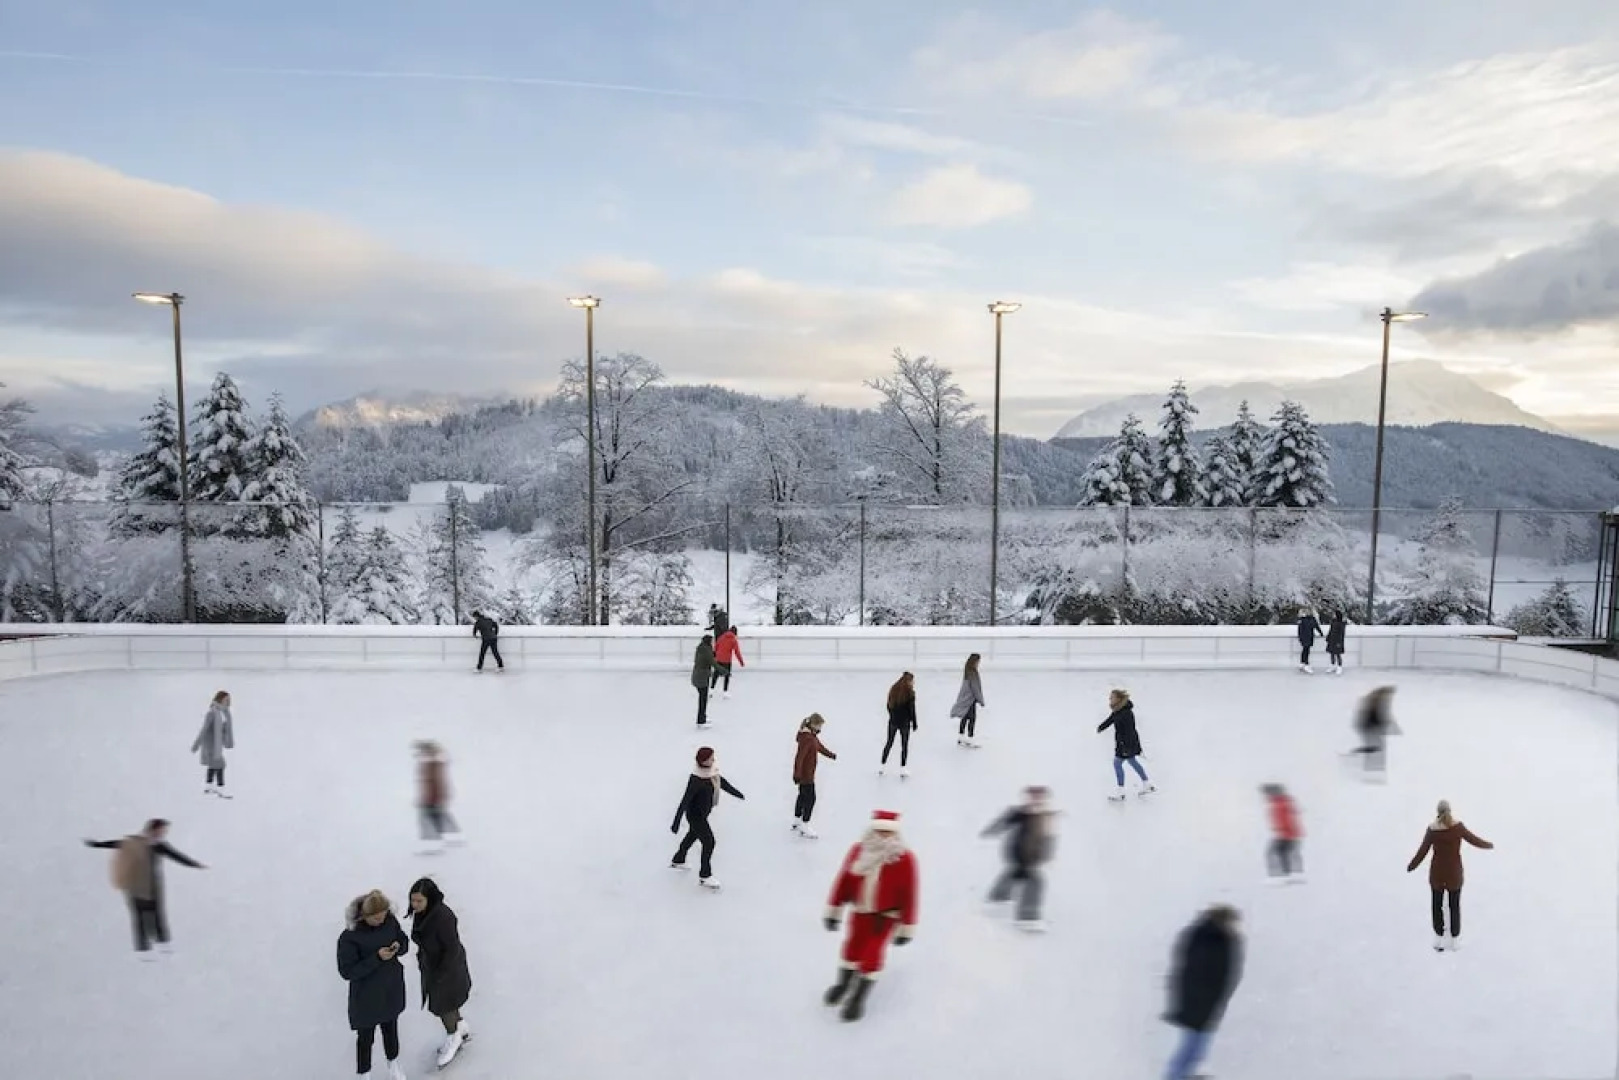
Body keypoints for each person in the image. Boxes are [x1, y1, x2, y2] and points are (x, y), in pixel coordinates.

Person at [822, 810, 919, 1022]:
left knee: (872, 955)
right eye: (880, 831)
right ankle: (843, 984)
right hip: (860, 913)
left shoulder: (904, 859)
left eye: (888, 832)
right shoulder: (858, 851)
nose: (883, 836)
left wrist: (907, 926)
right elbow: (844, 881)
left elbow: (910, 894)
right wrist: (834, 911)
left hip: (884, 919)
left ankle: (858, 998)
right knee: (851, 949)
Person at [84, 818, 206, 957]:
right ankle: (143, 948)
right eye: (161, 830)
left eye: (164, 831)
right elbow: (116, 844)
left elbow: (176, 856)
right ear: (152, 829)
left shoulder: (159, 845)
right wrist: (97, 844)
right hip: (135, 885)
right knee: (140, 916)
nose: (163, 833)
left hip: (153, 885)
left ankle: (163, 943)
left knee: (157, 914)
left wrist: (195, 864)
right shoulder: (134, 842)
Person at [1163, 904, 1244, 1080]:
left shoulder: (1207, 936)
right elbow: (1203, 971)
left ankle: (1182, 1075)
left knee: (1196, 1044)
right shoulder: (1213, 939)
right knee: (1194, 1044)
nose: (1236, 927)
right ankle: (1176, 1076)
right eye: (1233, 922)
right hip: (1199, 1002)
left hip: (1201, 1001)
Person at [337, 890, 410, 1079]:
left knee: (391, 1030)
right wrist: (377, 958)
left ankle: (393, 1064)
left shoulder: (389, 922)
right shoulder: (349, 937)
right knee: (365, 1038)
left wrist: (399, 946)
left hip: (390, 988)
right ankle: (364, 1074)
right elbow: (347, 971)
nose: (381, 921)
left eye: (383, 916)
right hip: (366, 996)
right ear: (364, 916)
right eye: (376, 918)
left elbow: (403, 941)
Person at [1406, 799, 1494, 951]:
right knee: (1454, 905)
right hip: (1454, 873)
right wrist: (1488, 845)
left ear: (1437, 812)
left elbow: (1423, 851)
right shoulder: (1458, 828)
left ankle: (1439, 938)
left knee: (1437, 905)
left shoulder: (1432, 831)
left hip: (1437, 874)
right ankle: (1454, 940)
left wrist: (1412, 866)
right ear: (1450, 811)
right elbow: (1474, 840)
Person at [407, 878, 473, 1068]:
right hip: (434, 966)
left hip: (447, 968)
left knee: (444, 1006)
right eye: (413, 900)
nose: (415, 905)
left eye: (419, 901)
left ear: (429, 899)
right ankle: (460, 1026)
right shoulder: (424, 914)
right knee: (447, 1003)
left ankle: (454, 1035)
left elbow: (451, 948)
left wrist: (441, 973)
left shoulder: (443, 917)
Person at [981, 786, 1056, 929]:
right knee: (1033, 881)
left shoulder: (1045, 817)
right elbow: (1002, 822)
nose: (1036, 801)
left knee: (1013, 876)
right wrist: (991, 830)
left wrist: (1047, 854)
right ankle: (1027, 917)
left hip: (1032, 858)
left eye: (1040, 798)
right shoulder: (1019, 813)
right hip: (1017, 854)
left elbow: (1048, 838)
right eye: (1033, 797)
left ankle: (998, 897)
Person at [670, 746, 744, 888]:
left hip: (703, 813)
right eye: (711, 758)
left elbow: (722, 783)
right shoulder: (696, 780)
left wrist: (738, 794)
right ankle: (705, 875)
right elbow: (684, 801)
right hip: (696, 816)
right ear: (703, 762)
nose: (714, 760)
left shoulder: (711, 772)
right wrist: (676, 822)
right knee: (709, 842)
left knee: (692, 835)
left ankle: (679, 859)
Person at [1098, 688, 1154, 800]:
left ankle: (1121, 791)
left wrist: (1125, 747)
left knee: (1117, 764)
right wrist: (1101, 727)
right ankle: (1147, 784)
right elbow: (1111, 720)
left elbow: (1130, 731)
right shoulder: (1118, 710)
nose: (1110, 699)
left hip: (1126, 744)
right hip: (1125, 744)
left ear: (1118, 699)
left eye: (1112, 697)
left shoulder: (1126, 713)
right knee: (1132, 761)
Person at [793, 713, 837, 839]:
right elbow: (799, 757)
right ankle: (805, 824)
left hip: (806, 774)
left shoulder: (811, 736)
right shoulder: (807, 739)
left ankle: (797, 820)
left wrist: (831, 755)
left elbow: (819, 747)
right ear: (813, 725)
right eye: (819, 726)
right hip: (806, 775)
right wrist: (797, 774)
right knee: (811, 799)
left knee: (802, 796)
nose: (820, 729)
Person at [415, 741, 463, 852]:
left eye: (423, 751)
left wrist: (434, 797)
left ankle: (434, 844)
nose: (420, 754)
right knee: (437, 818)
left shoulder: (433, 764)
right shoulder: (432, 764)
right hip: (432, 797)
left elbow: (434, 782)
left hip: (433, 797)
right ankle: (450, 838)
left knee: (431, 819)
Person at [1348, 686, 1400, 778]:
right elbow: (1379, 715)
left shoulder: (1375, 699)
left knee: (1375, 747)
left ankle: (1371, 766)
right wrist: (1390, 727)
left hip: (1369, 726)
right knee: (1376, 747)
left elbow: (1383, 715)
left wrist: (1393, 727)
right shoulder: (1378, 700)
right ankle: (1372, 768)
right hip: (1369, 727)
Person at [191, 690, 234, 798]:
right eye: (226, 699)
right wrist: (196, 744)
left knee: (213, 765)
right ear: (220, 699)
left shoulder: (225, 713)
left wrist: (227, 740)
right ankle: (220, 788)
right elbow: (204, 729)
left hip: (218, 745)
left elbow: (224, 730)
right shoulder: (212, 712)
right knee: (220, 765)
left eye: (229, 700)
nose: (227, 702)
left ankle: (208, 786)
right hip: (211, 745)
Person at [1260, 784, 1303, 883]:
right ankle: (1287, 873)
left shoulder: (1281, 803)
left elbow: (1286, 819)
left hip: (1287, 834)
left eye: (1267, 794)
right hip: (1286, 833)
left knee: (1277, 853)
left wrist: (1284, 829)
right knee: (1282, 853)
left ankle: (1283, 875)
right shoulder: (1280, 802)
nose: (1266, 796)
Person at [879, 672, 918, 778]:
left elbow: (888, 705)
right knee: (904, 745)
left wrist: (892, 715)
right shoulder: (910, 693)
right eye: (912, 681)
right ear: (908, 681)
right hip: (904, 723)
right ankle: (903, 769)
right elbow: (912, 710)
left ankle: (882, 766)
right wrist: (914, 723)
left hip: (893, 722)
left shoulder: (893, 689)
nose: (913, 683)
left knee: (889, 743)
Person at [950, 653, 986, 748]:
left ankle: (961, 737)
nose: (979, 663)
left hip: (966, 698)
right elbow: (975, 688)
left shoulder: (967, 671)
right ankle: (970, 738)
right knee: (972, 719)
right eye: (978, 661)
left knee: (965, 718)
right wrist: (981, 700)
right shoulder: (973, 673)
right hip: (970, 699)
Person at [711, 626, 745, 697]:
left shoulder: (721, 637)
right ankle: (725, 692)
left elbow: (715, 647)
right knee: (726, 675)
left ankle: (711, 690)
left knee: (716, 674)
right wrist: (741, 662)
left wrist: (714, 656)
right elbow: (737, 652)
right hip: (727, 660)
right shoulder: (733, 640)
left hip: (718, 659)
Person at [691, 635, 715, 726]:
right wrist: (723, 671)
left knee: (703, 699)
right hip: (701, 678)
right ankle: (701, 720)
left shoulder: (702, 649)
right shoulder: (705, 651)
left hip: (700, 677)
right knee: (703, 699)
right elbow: (712, 662)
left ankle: (702, 717)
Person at [1296, 607, 1323, 673]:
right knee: (1306, 650)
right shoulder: (1302, 620)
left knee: (1306, 650)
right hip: (1305, 637)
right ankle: (1306, 664)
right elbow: (1300, 630)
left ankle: (1303, 663)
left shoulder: (1311, 619)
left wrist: (1320, 633)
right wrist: (1300, 637)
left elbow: (1316, 626)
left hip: (1309, 637)